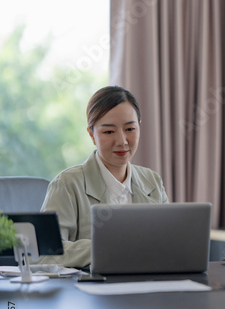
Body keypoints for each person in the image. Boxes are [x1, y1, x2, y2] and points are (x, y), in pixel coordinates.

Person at [38, 85, 168, 268]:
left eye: (130, 129)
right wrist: (110, 248)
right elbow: (45, 255)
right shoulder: (66, 184)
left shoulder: (152, 181)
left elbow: (169, 243)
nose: (122, 141)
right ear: (92, 134)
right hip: (90, 292)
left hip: (147, 286)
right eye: (108, 132)